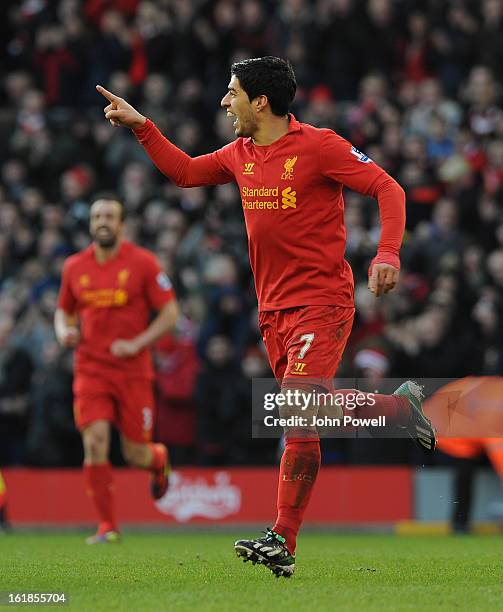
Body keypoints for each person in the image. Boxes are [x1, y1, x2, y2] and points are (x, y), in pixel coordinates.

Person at [96, 56, 436, 576]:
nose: (224, 102)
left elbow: (388, 188)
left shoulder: (320, 146)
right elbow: (186, 172)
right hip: (272, 312)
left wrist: (388, 252)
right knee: (308, 410)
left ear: (260, 102)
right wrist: (144, 126)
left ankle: (283, 538)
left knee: (297, 415)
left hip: (322, 303)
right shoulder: (240, 154)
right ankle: (396, 409)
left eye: (232, 93)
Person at [55, 196, 178, 544]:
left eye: (109, 216)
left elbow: (170, 313)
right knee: (94, 442)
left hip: (133, 372)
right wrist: (64, 331)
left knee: (135, 454)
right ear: (91, 224)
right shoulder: (74, 266)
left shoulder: (143, 263)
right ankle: (108, 526)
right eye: (97, 216)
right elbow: (63, 310)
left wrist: (138, 343)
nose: (103, 221)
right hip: (91, 369)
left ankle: (158, 460)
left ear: (122, 224)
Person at [423, 376, 503, 533]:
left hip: (456, 423)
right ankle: (460, 523)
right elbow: (496, 446)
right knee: (464, 469)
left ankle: (460, 522)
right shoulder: (495, 408)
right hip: (447, 431)